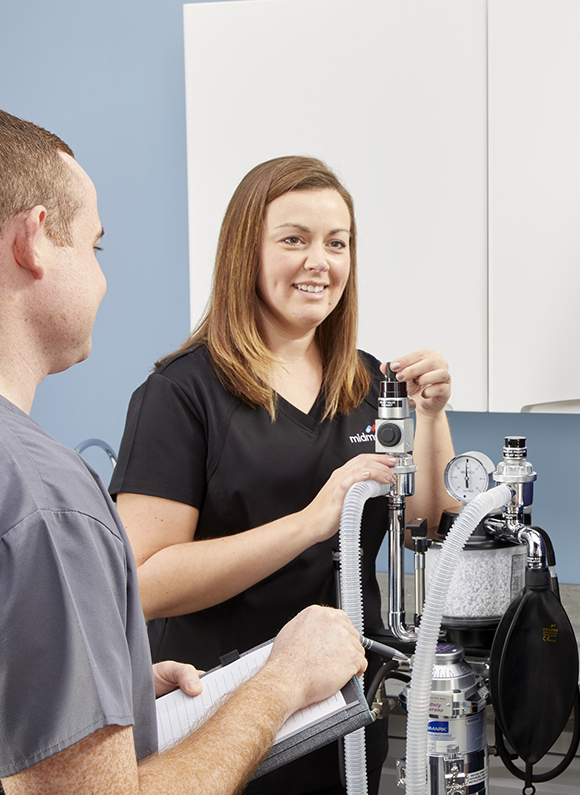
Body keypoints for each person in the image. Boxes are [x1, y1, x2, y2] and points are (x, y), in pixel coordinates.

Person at [0, 99, 368, 795]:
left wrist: (108, 688)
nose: (102, 275)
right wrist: (283, 680)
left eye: (338, 242)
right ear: (34, 242)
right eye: (94, 245)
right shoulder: (35, 501)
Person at [108, 155, 456, 795]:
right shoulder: (181, 394)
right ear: (247, 251)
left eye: (337, 243)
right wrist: (311, 523)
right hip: (221, 717)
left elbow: (426, 523)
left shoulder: (369, 380)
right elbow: (143, 581)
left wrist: (432, 419)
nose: (318, 261)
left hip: (348, 709)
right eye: (293, 239)